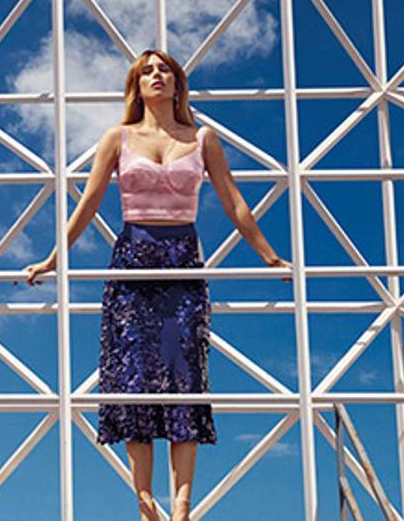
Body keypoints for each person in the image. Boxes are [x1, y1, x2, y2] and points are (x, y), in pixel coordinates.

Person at [20, 49, 291, 521]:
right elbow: (87, 204)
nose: (156, 75)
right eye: (146, 71)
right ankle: (144, 499)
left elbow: (233, 202)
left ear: (177, 82)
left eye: (163, 69)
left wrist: (269, 256)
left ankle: (182, 504)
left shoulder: (204, 139)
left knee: (185, 375)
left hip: (182, 262)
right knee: (133, 377)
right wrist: (52, 258)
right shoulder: (117, 138)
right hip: (133, 262)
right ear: (136, 86)